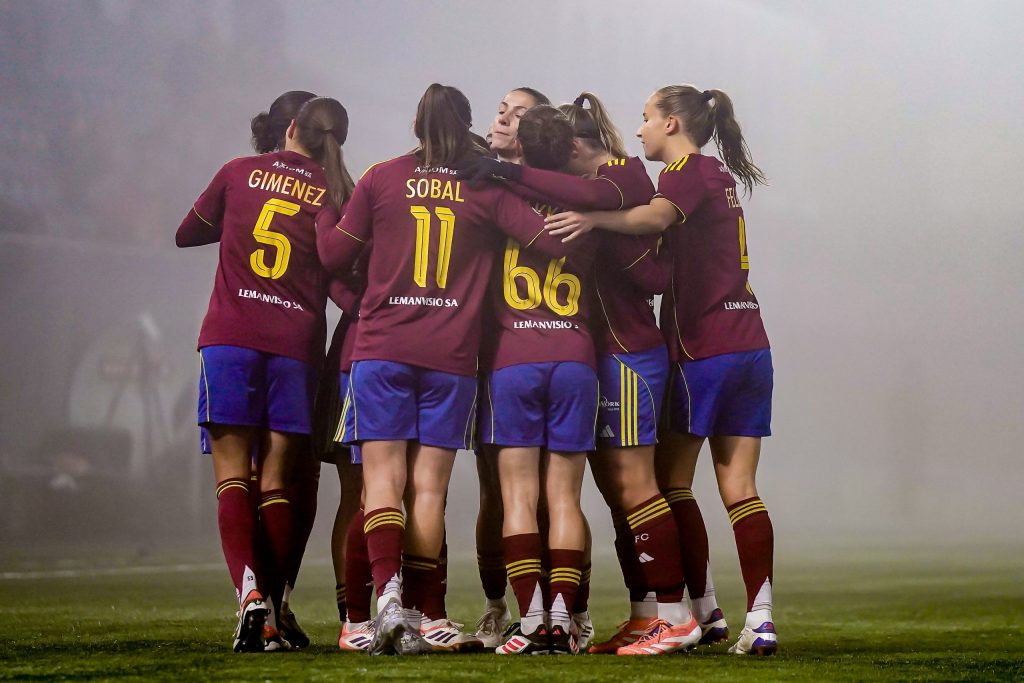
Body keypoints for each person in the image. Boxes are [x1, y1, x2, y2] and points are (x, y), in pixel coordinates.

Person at [317, 82, 574, 656]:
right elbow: (549, 242)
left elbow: (333, 255)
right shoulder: (484, 187)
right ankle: (418, 612)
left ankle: (386, 604)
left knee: (380, 486)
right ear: (467, 127)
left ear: (416, 125)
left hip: (382, 349)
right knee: (429, 491)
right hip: (451, 359)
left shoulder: (382, 178)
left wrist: (326, 211)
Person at [544, 84, 777, 656]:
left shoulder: (685, 171)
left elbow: (653, 218)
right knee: (740, 488)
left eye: (647, 117)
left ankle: (696, 610)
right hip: (750, 341)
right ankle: (756, 617)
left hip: (704, 347)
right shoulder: (718, 174)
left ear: (672, 123)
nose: (640, 129)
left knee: (667, 485)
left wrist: (592, 218)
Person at [176, 95, 353, 652]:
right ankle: (274, 608)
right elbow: (341, 274)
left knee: (233, 477)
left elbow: (187, 232)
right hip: (296, 345)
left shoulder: (238, 172)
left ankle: (250, 596)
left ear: (290, 127)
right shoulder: (337, 192)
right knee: (280, 481)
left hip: (231, 338)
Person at [471, 86, 552, 650]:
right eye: (501, 108)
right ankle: (497, 606)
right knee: (494, 492)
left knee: (549, 492)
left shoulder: (553, 187)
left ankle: (559, 609)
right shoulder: (474, 178)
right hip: (489, 352)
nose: (503, 117)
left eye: (518, 113)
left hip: (544, 350)